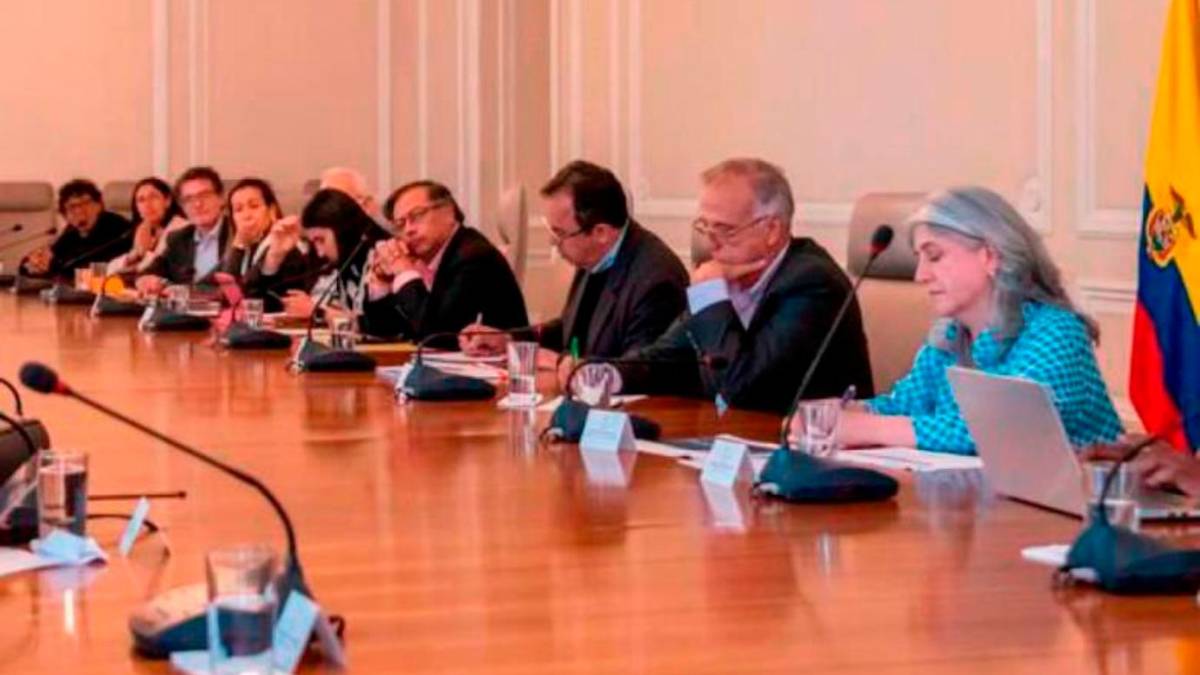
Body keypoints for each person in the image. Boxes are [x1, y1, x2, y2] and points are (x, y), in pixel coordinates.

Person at [801, 186, 1123, 454]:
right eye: (919, 259)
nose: (920, 275)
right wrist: (848, 413)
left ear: (990, 256)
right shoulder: (949, 337)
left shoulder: (1056, 331)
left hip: (1083, 508)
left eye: (934, 256)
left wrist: (869, 428)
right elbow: (906, 403)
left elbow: (1005, 430)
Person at [613, 158, 874, 413]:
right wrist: (606, 374)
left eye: (725, 230)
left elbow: (741, 389)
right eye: (704, 227)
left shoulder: (813, 284)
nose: (710, 243)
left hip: (805, 437)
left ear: (772, 230)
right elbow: (662, 361)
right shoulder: (726, 277)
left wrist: (709, 295)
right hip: (730, 432)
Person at [459, 160, 687, 363]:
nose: (552, 241)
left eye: (559, 232)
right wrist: (508, 339)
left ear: (600, 233)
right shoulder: (594, 254)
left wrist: (564, 365)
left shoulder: (656, 282)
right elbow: (570, 331)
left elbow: (637, 371)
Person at [359, 180, 528, 343]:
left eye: (417, 215)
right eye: (400, 224)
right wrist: (382, 283)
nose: (408, 230)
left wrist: (404, 271)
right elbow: (384, 333)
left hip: (502, 362)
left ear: (449, 212)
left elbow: (436, 335)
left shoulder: (473, 257)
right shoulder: (432, 259)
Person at [274, 188, 391, 321]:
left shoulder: (384, 256)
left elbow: (380, 323)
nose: (320, 252)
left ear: (342, 231)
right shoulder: (346, 260)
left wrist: (318, 312)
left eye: (321, 240)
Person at [136, 166, 230, 294]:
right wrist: (145, 279)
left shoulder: (237, 234)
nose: (197, 204)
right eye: (189, 199)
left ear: (221, 198)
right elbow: (151, 270)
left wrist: (187, 291)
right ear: (182, 207)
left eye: (204, 195)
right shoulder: (178, 238)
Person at [20, 179, 131, 278]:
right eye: (72, 207)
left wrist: (54, 266)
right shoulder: (72, 232)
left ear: (99, 205)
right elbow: (55, 257)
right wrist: (34, 263)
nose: (79, 212)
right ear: (65, 215)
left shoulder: (117, 227)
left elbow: (102, 269)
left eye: (85, 203)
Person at [108, 177, 187, 274]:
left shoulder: (182, 229)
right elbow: (110, 269)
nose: (147, 205)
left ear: (168, 201)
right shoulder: (143, 231)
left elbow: (157, 270)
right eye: (141, 200)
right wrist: (133, 256)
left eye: (153, 197)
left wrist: (144, 254)